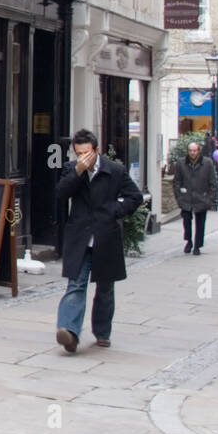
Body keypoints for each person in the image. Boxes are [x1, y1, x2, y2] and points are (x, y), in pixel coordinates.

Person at [54, 129, 143, 353]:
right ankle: (69, 331)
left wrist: (115, 210)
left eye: (86, 153)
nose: (83, 157)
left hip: (106, 235)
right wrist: (78, 171)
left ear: (96, 150)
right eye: (78, 153)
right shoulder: (71, 169)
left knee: (105, 286)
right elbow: (61, 194)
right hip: (80, 236)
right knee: (76, 283)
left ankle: (102, 332)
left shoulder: (114, 170)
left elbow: (135, 197)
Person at [172, 141, 218, 255]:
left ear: (198, 151)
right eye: (190, 151)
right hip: (186, 198)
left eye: (194, 150)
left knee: (200, 223)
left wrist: (210, 199)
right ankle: (189, 241)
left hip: (201, 197)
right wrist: (179, 197)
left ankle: (197, 246)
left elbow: (213, 182)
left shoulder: (207, 163)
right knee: (186, 221)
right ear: (187, 151)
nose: (192, 153)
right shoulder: (181, 163)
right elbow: (176, 181)